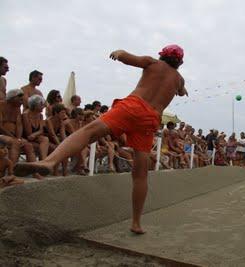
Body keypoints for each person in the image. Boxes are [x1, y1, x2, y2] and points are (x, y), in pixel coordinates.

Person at [15, 45, 188, 234]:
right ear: (179, 62)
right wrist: (182, 89)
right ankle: (136, 223)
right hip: (150, 119)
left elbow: (126, 57)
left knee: (89, 132)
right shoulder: (178, 79)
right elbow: (180, 90)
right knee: (140, 174)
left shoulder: (152, 62)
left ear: (162, 55)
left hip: (134, 106)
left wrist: (118, 53)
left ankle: (49, 162)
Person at [0, 89, 41, 179]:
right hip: (2, 135)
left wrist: (18, 138)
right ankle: (11, 173)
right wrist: (14, 138)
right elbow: (0, 126)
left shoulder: (17, 108)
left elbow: (19, 125)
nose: (22, 102)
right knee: (15, 143)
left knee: (28, 146)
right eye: (20, 99)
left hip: (12, 136)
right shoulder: (1, 105)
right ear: (12, 98)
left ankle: (35, 172)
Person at [22, 95, 49, 161]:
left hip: (34, 137)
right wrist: (35, 134)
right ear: (35, 105)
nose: (43, 107)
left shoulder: (40, 115)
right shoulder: (26, 115)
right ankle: (42, 162)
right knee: (44, 141)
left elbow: (41, 130)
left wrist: (34, 135)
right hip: (25, 137)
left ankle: (43, 161)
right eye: (41, 105)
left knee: (45, 139)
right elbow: (29, 134)